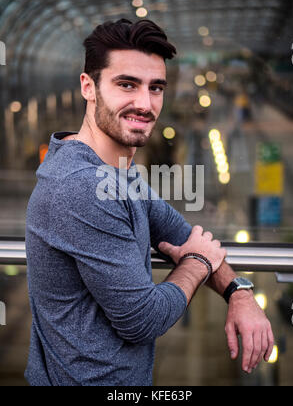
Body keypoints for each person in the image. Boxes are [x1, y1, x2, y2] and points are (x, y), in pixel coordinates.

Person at [25, 19, 274, 386]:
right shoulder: (82, 187)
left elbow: (182, 232)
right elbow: (143, 319)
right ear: (88, 87)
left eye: (155, 88)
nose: (144, 104)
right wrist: (198, 262)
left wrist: (238, 291)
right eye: (126, 84)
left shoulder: (115, 174)